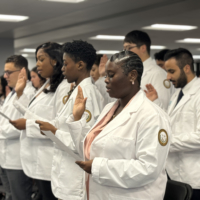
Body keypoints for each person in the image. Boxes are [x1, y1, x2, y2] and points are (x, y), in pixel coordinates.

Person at [63, 51, 171, 200]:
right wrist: (76, 118)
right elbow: (88, 150)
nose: (106, 80)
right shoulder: (109, 109)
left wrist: (98, 167)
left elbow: (149, 168)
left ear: (132, 75)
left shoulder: (151, 116)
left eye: (111, 75)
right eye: (106, 75)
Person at [35, 40, 104, 200]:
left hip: (76, 181)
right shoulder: (76, 90)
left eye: (65, 64)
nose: (62, 69)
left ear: (80, 65)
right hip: (66, 174)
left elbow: (85, 143)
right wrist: (52, 128)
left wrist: (54, 132)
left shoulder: (86, 95)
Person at [9, 42, 70, 200]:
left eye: (41, 59)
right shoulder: (47, 85)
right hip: (40, 161)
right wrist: (21, 93)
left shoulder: (64, 87)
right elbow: (32, 114)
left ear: (55, 60)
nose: (37, 65)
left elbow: (58, 126)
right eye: (36, 60)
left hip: (50, 161)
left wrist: (27, 125)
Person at [146, 48, 200, 200]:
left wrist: (167, 142)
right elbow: (174, 122)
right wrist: (156, 103)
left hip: (195, 177)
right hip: (175, 174)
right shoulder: (177, 93)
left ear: (187, 68)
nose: (168, 77)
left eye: (171, 71)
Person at [0, 55, 35, 200]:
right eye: (5, 72)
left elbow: (21, 125)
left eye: (9, 72)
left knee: (20, 197)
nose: (5, 76)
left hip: (17, 160)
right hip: (5, 157)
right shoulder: (11, 93)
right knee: (10, 196)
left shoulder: (29, 93)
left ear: (22, 72)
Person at [123, 30, 172, 110]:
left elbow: (164, 108)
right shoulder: (132, 71)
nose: (125, 52)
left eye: (129, 48)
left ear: (143, 48)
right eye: (124, 49)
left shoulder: (157, 73)